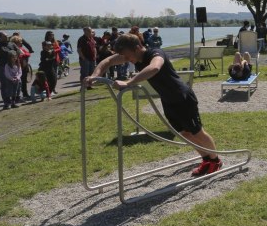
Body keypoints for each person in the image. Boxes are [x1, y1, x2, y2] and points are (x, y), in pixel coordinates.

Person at [86, 33, 223, 176]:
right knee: (184, 133)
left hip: (183, 98)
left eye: (127, 56)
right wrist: (95, 76)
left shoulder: (155, 54)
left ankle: (215, 161)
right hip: (168, 100)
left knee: (197, 132)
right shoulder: (132, 54)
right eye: (124, 57)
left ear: (138, 47)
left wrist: (128, 82)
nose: (127, 61)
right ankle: (206, 159)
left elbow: (155, 68)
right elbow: (107, 61)